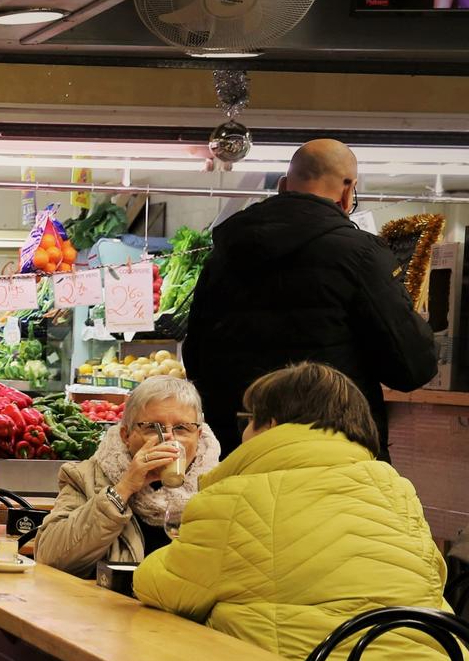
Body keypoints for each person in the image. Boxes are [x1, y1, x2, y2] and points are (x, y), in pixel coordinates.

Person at [135, 363, 451, 661]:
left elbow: (159, 585)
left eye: (249, 420)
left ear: (271, 425)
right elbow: (433, 576)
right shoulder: (397, 490)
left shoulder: (238, 497)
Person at [182, 138, 437, 456]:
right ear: (348, 190)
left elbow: (195, 357)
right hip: (334, 448)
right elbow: (412, 367)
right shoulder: (360, 254)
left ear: (283, 186)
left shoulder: (224, 255)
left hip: (238, 447)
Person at [32, 377, 222, 577]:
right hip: (110, 604)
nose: (169, 440)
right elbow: (49, 557)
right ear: (126, 435)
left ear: (198, 435)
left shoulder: (219, 486)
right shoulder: (86, 477)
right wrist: (123, 489)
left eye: (182, 428)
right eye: (152, 428)